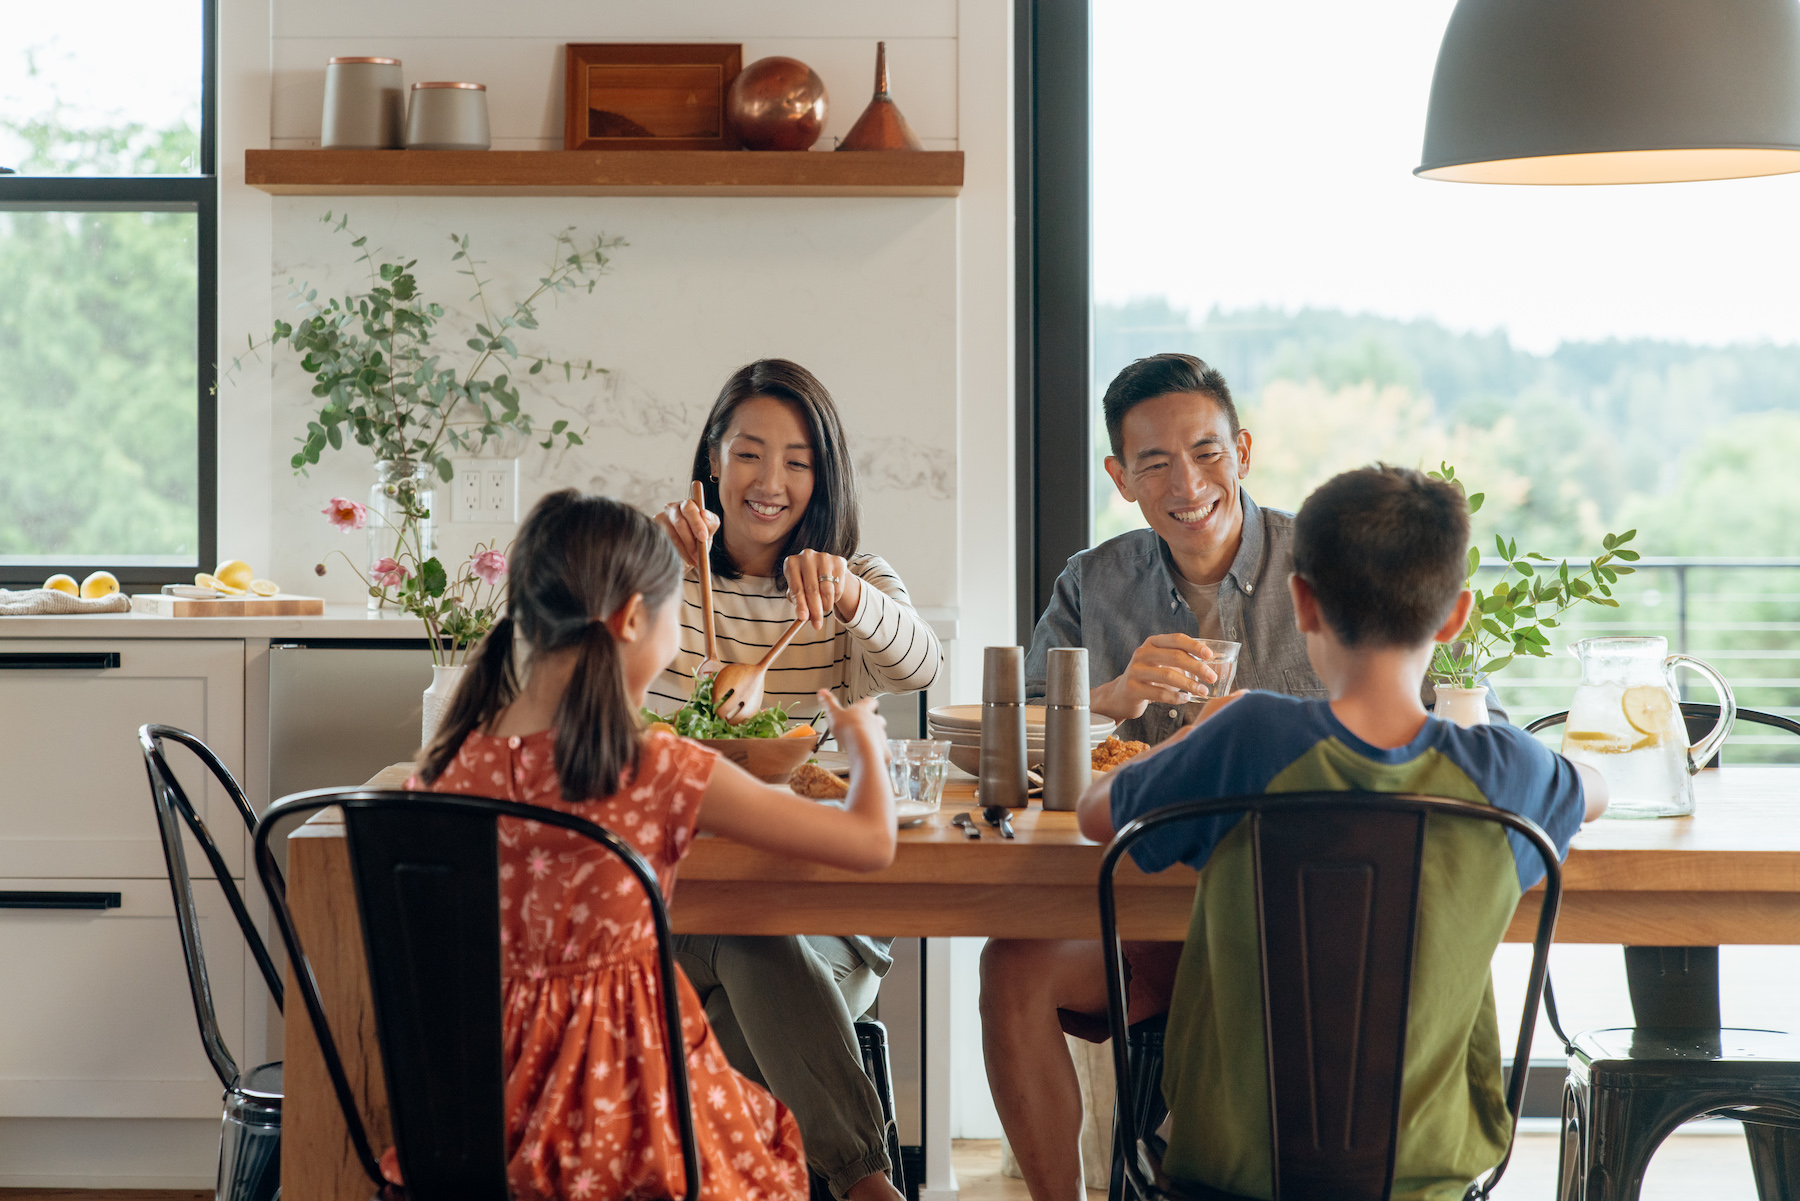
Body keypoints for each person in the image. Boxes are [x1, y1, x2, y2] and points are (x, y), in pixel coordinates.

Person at [984, 354, 1502, 1201]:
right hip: (1159, 914)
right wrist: (1110, 696)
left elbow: (1464, 716)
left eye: (1206, 451)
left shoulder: (1333, 562)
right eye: (1153, 461)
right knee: (1013, 965)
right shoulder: (1093, 581)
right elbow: (1017, 735)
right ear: (1121, 477)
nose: (1186, 481)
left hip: (1324, 924)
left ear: (1244, 450)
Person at [1074, 465, 1606, 1198]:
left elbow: (1095, 811)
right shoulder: (1507, 772)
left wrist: (1204, 726)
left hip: (1230, 1171)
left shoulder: (1247, 736)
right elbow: (1595, 790)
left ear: (1301, 602)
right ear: (1456, 616)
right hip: (1428, 1176)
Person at [403, 489, 899, 1201]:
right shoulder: (655, 768)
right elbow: (869, 841)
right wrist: (865, 744)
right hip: (632, 1117)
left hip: (481, 1112)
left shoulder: (447, 768)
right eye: (676, 617)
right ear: (633, 619)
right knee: (752, 1149)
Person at [649, 359, 939, 1201]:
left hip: (824, 921)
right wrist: (643, 569)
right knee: (740, 937)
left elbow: (922, 663)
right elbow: (584, 695)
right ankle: (867, 1184)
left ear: (823, 476)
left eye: (799, 460)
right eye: (749, 453)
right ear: (712, 458)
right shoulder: (660, 577)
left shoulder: (854, 578)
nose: (771, 482)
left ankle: (855, 1182)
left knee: (756, 934)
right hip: (674, 913)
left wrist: (848, 594)